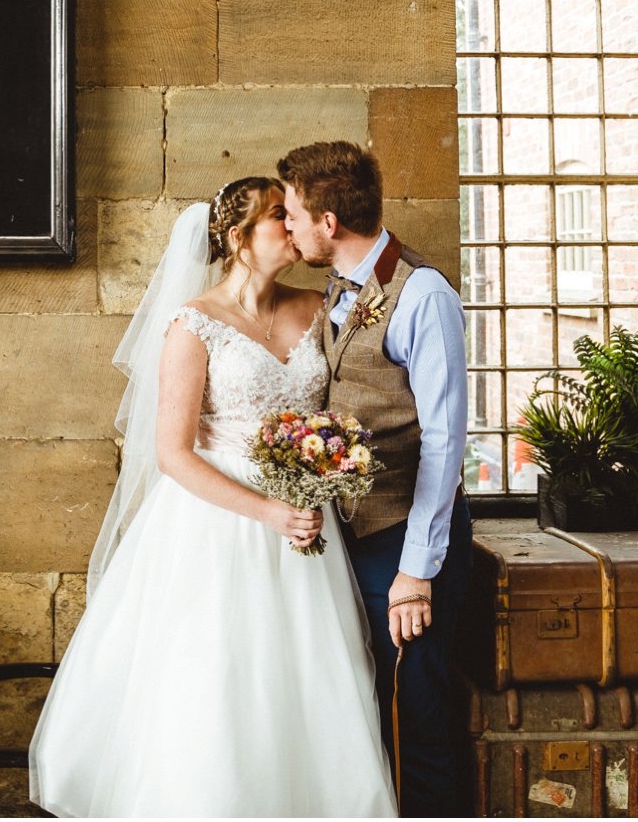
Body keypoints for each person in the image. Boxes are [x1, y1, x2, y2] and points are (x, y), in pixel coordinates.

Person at [28, 176, 397, 818]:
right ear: (237, 238)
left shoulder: (319, 308)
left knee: (309, 677)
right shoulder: (193, 326)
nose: (294, 225)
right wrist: (269, 511)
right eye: (279, 217)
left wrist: (332, 467)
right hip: (219, 525)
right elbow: (172, 453)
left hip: (308, 516)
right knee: (218, 678)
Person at [278, 141, 474, 818]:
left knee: (415, 715)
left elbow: (446, 445)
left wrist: (416, 573)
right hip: (352, 535)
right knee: (369, 713)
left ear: (329, 222)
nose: (290, 227)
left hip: (404, 542)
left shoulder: (423, 293)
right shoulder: (343, 282)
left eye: (296, 215)